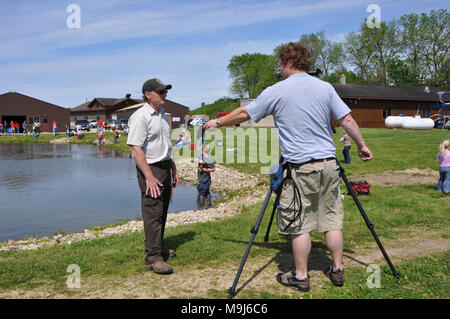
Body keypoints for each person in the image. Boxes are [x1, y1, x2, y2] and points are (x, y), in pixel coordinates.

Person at [204, 42, 372, 292]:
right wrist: (361, 145)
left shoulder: (277, 90)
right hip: (329, 164)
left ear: (289, 63)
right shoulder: (325, 88)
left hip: (301, 167)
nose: (280, 69)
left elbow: (243, 114)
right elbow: (346, 119)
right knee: (332, 220)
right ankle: (337, 269)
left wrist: (218, 123)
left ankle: (301, 276)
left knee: (300, 223)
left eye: (281, 65)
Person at [127, 78, 180, 275]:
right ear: (148, 94)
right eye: (160, 91)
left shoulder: (162, 114)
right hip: (151, 169)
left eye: (165, 91)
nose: (165, 94)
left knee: (162, 210)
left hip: (164, 166)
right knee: (153, 213)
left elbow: (165, 145)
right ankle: (153, 258)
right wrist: (149, 176)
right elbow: (136, 148)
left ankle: (157, 248)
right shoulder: (141, 116)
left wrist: (173, 167)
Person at [197, 145, 215, 210]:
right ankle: (209, 205)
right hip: (202, 179)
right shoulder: (201, 158)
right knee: (207, 192)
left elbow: (213, 169)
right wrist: (201, 162)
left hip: (205, 180)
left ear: (202, 151)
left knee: (201, 193)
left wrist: (203, 169)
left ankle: (200, 207)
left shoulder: (209, 159)